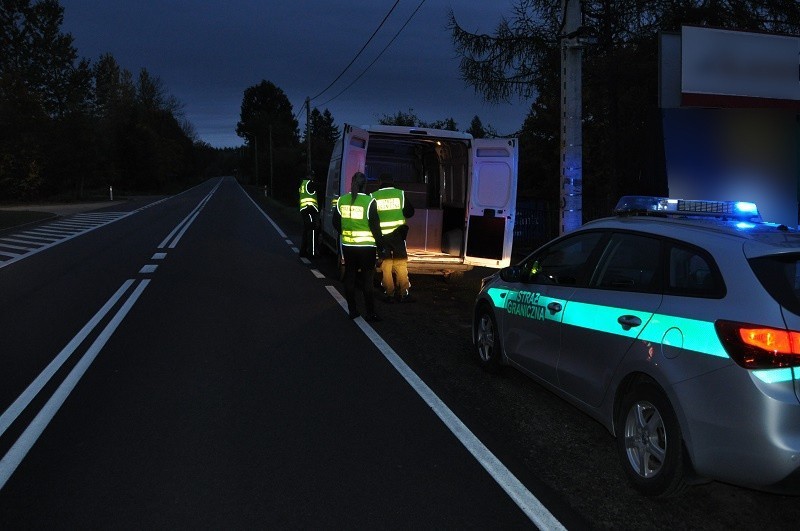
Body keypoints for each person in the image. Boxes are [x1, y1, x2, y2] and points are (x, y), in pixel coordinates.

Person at [333, 172, 383, 322]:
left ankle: (352, 310)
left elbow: (335, 223)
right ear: (365, 185)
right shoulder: (369, 202)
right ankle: (370, 313)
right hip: (367, 248)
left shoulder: (342, 200)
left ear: (352, 183)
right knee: (367, 281)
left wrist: (345, 233)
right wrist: (381, 248)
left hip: (348, 246)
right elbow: (376, 228)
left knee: (350, 277)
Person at [372, 174, 415, 302]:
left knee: (386, 264)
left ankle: (389, 293)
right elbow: (410, 212)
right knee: (401, 263)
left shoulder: (373, 196)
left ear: (379, 182)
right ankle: (403, 293)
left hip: (382, 236)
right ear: (392, 182)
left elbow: (371, 217)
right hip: (397, 235)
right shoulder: (400, 194)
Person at [298, 174, 319, 258]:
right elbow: (318, 188)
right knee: (312, 232)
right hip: (310, 209)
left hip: (304, 209)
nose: (314, 178)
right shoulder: (310, 183)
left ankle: (303, 252)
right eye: (313, 176)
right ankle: (312, 253)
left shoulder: (303, 183)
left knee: (306, 231)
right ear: (310, 176)